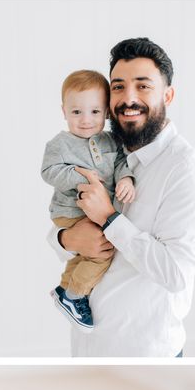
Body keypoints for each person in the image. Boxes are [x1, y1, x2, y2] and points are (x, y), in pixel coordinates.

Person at [48, 38, 195, 357]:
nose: (128, 99)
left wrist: (110, 220)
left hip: (143, 355)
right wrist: (67, 238)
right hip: (87, 349)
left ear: (167, 95)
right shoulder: (99, 149)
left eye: (143, 87)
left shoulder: (186, 172)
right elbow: (64, 220)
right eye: (118, 87)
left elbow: (176, 274)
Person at [42, 69, 135, 333]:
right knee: (102, 252)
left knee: (86, 253)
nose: (85, 120)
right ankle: (75, 296)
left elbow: (120, 164)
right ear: (64, 111)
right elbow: (48, 171)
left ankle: (64, 289)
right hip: (70, 210)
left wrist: (126, 179)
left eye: (94, 112)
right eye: (76, 112)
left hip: (95, 211)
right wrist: (78, 178)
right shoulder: (59, 144)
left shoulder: (110, 140)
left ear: (106, 111)